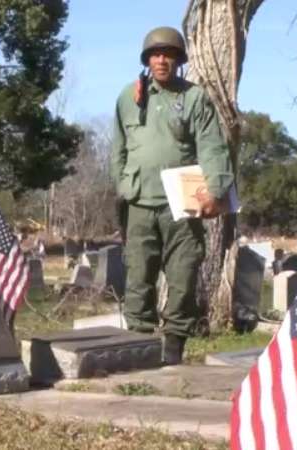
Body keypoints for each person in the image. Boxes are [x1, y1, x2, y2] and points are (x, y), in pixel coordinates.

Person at [110, 26, 234, 365]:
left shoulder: (194, 97)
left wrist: (216, 190)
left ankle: (173, 351)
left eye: (168, 54)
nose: (161, 60)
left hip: (181, 204)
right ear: (147, 60)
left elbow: (212, 146)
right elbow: (118, 148)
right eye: (155, 54)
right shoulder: (128, 97)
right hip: (138, 201)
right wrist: (122, 185)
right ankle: (138, 350)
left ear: (178, 60)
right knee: (138, 277)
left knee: (183, 276)